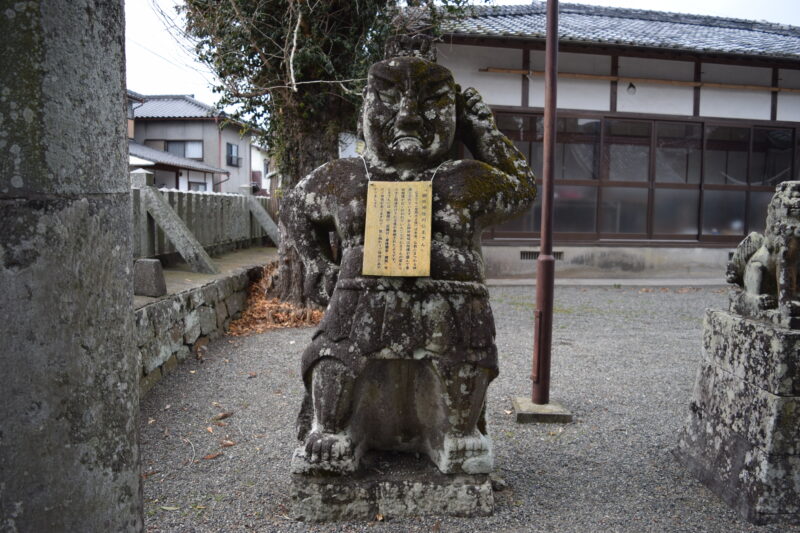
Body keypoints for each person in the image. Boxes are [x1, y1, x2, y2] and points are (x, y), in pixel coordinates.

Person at [283, 40, 536, 475]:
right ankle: (332, 428)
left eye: (433, 102)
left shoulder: (465, 179)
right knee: (335, 360)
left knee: (465, 360)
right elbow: (294, 206)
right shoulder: (348, 177)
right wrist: (316, 261)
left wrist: (483, 133)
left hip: (451, 305)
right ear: (364, 108)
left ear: (453, 111)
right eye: (385, 98)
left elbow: (523, 189)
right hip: (359, 303)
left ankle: (458, 433)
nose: (407, 115)